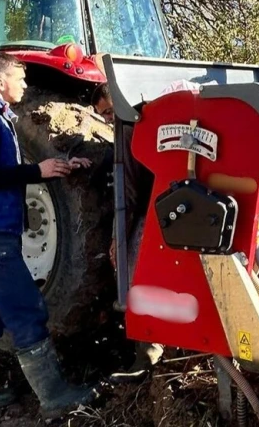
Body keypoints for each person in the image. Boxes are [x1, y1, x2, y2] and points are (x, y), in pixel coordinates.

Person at [0, 51, 95, 418]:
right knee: (26, 308)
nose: (24, 84)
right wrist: (35, 170)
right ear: (0, 81)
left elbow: (3, 169)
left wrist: (52, 168)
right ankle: (55, 396)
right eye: (19, 77)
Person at [90, 82, 164, 380]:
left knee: (133, 277)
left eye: (108, 111)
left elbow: (128, 196)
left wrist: (116, 241)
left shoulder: (127, 130)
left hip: (149, 214)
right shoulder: (152, 114)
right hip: (169, 206)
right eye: (102, 114)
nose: (107, 118)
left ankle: (147, 357)